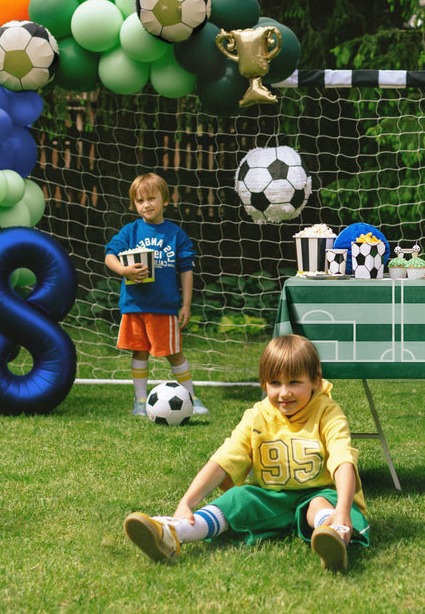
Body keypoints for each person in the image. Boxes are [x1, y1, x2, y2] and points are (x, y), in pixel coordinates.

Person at [123, 334, 369, 571]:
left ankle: (333, 534)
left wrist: (343, 510)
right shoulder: (256, 416)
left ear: (315, 380)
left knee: (319, 504)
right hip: (270, 497)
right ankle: (171, 533)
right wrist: (187, 502)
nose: (284, 392)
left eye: (294, 382)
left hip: (319, 493)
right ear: (264, 383)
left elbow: (342, 461)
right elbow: (223, 461)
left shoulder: (328, 412)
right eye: (275, 383)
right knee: (237, 498)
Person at [105, 172, 207, 416]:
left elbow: (186, 269)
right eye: (140, 201)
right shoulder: (130, 231)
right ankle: (140, 401)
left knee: (174, 353)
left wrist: (186, 304)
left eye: (151, 198)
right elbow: (110, 254)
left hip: (164, 306)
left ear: (165, 201)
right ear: (134, 204)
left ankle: (191, 397)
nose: (146, 205)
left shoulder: (175, 234)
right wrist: (123, 270)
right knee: (138, 352)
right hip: (135, 305)